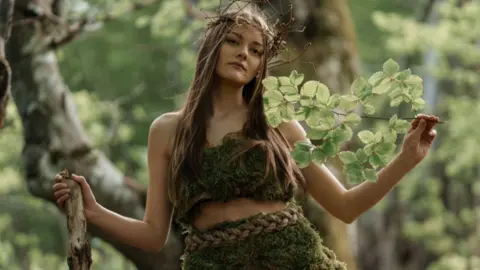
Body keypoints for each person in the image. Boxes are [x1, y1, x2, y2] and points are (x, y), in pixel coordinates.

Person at [52, 3, 439, 269]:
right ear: (212, 47)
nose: (244, 54)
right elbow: (155, 235)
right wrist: (94, 212)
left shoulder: (277, 121)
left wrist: (407, 158)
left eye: (256, 50)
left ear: (260, 67)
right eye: (234, 41)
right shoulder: (167, 131)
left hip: (294, 259)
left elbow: (345, 206)